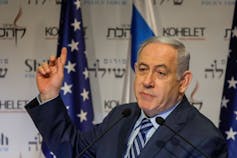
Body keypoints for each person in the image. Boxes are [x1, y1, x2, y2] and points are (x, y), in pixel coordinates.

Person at [25, 36, 227, 158]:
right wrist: (49, 94)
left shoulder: (203, 139)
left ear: (183, 82)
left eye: (161, 73)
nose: (147, 81)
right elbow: (74, 150)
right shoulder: (121, 116)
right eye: (143, 69)